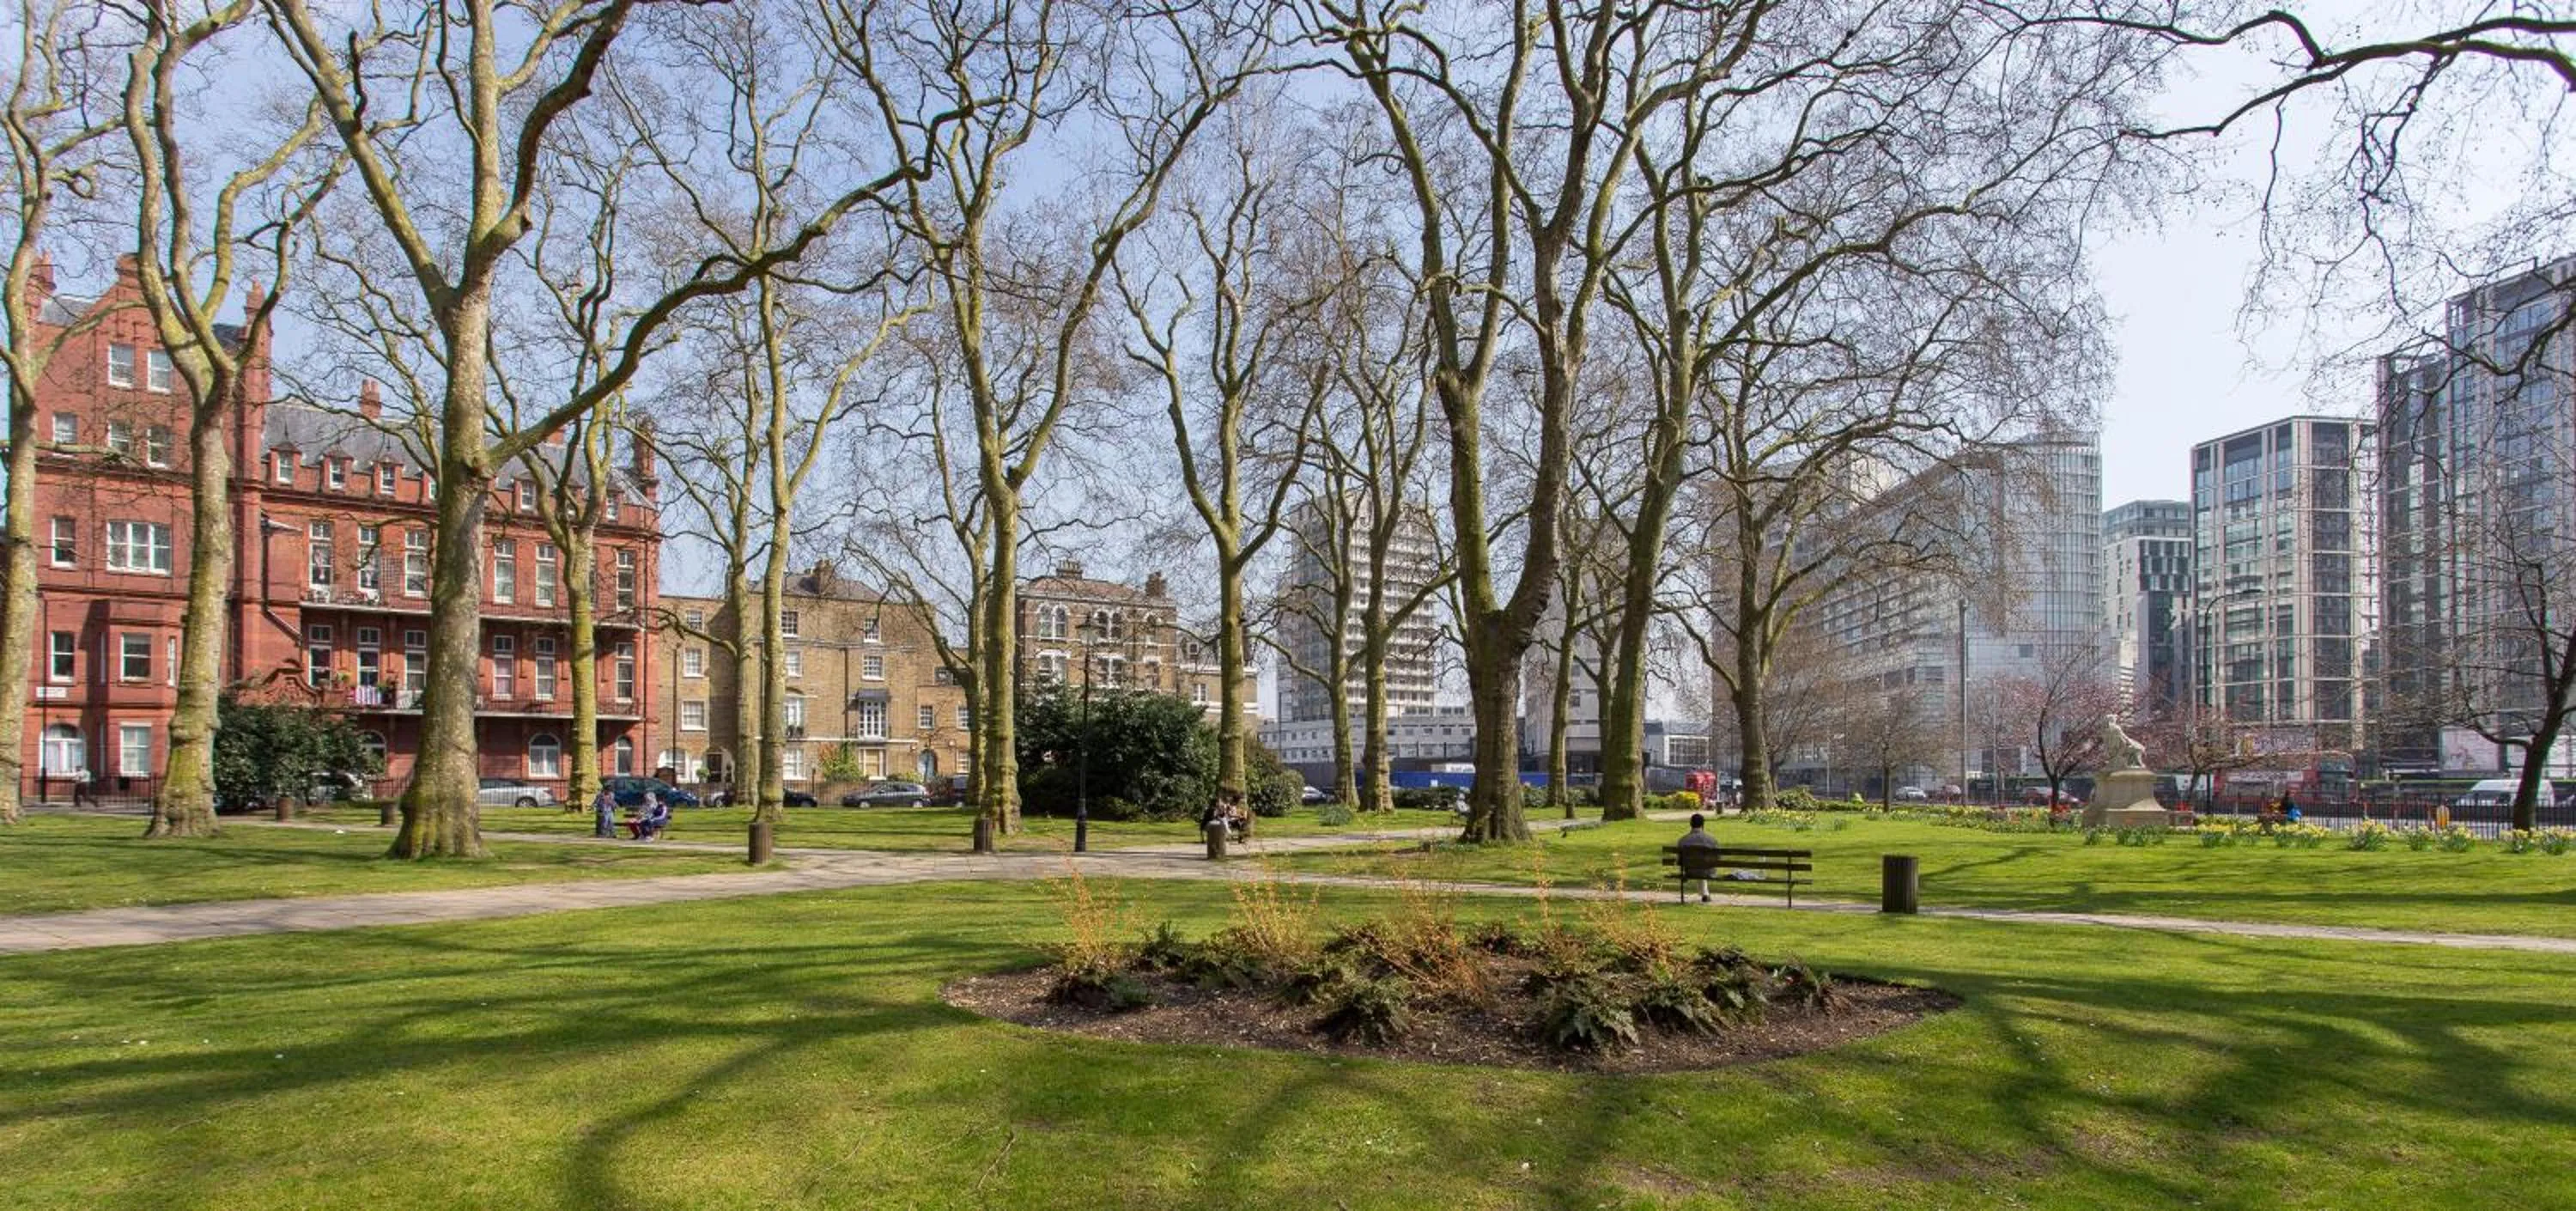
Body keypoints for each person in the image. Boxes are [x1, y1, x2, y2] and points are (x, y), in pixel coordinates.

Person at [1676, 812, 1722, 903]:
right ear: (1703, 824)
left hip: (1690, 870)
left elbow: (1679, 860)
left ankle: (1705, 894)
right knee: (1702, 868)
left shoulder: (1683, 840)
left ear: (1690, 824)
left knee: (1698, 868)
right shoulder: (1711, 840)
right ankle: (1705, 895)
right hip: (1708, 870)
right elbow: (1718, 858)